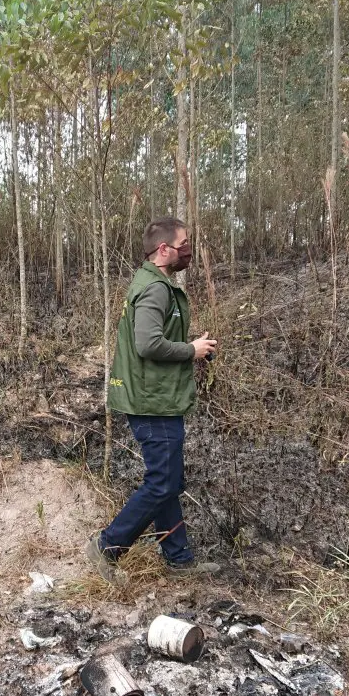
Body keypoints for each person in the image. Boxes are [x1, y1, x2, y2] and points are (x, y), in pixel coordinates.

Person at [86, 216, 219, 580]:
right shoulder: (155, 288)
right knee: (161, 482)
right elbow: (147, 344)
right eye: (184, 244)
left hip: (157, 397)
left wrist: (193, 346)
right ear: (163, 249)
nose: (188, 251)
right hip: (152, 401)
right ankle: (106, 546)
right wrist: (190, 350)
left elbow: (154, 338)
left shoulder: (153, 284)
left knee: (169, 481)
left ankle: (178, 560)